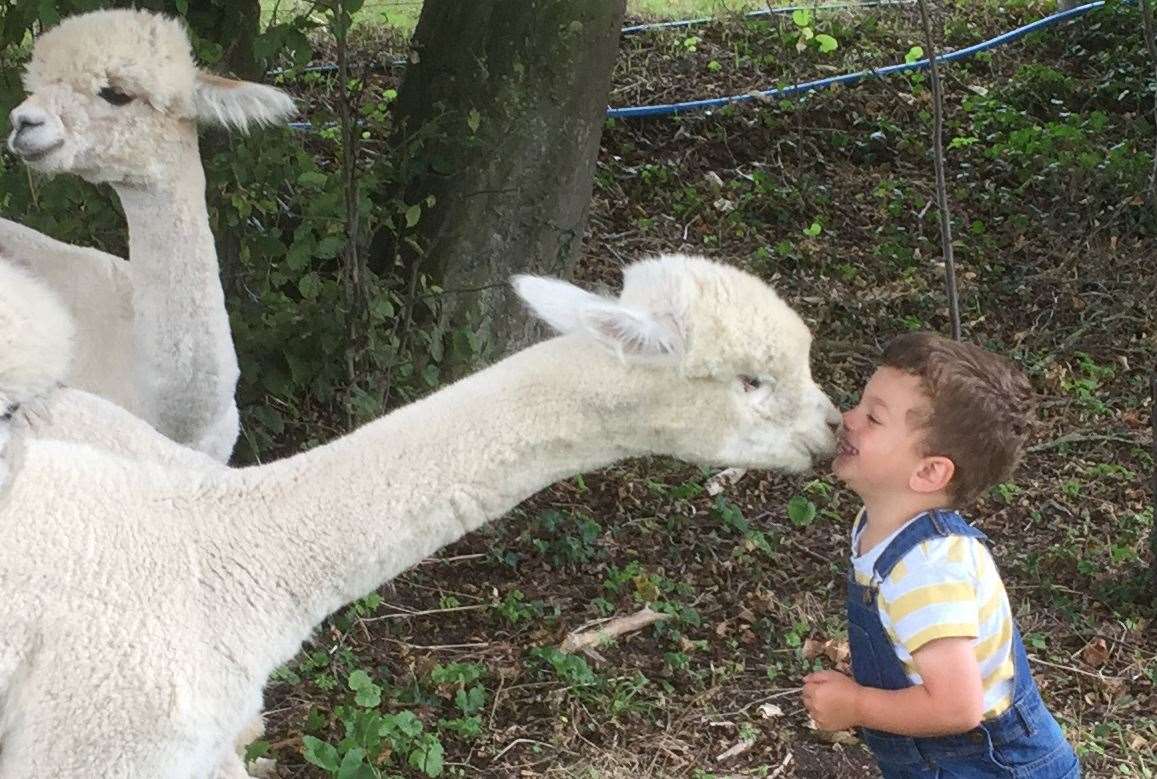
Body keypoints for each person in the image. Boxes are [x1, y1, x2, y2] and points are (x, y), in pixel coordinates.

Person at [801, 332, 1079, 777]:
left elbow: (956, 707)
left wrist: (856, 704)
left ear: (929, 471)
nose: (846, 418)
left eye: (873, 417)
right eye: (859, 403)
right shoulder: (882, 530)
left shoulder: (927, 569)